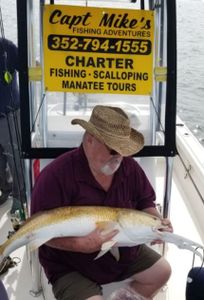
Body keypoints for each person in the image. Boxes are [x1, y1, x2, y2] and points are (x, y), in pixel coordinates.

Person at [31, 105, 173, 300]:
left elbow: (145, 201)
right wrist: (81, 245)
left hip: (123, 251)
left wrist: (157, 222)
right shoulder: (55, 177)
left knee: (162, 272)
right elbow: (39, 232)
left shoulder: (130, 168)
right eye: (113, 150)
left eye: (124, 150)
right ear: (90, 140)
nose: (119, 157)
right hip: (71, 265)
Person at [0, 37, 26, 215]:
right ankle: (5, 189)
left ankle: (20, 197)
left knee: (15, 160)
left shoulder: (7, 47)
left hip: (8, 116)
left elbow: (24, 69)